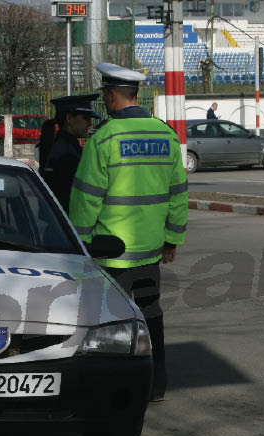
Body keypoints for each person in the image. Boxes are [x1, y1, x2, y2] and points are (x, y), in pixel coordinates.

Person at [69, 63, 189, 402]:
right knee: (151, 317)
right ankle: (156, 385)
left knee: (107, 326)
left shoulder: (104, 138)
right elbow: (178, 193)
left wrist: (77, 245)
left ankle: (113, 390)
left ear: (110, 94)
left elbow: (86, 199)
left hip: (110, 255)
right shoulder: (165, 134)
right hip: (150, 251)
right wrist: (172, 239)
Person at [37, 93, 101, 211]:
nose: (89, 123)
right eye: (85, 118)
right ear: (69, 118)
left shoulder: (65, 145)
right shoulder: (66, 152)